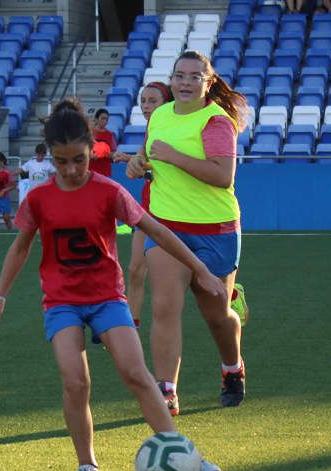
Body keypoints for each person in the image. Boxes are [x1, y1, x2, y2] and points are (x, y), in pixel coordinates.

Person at [0, 99, 224, 471]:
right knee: (75, 382)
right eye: (62, 162)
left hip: (108, 298)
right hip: (62, 302)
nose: (72, 170)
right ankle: (87, 466)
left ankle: (181, 451)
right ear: (51, 159)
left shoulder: (108, 191)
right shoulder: (39, 199)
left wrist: (199, 268)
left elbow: (158, 231)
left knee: (136, 374)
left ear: (92, 150)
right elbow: (21, 247)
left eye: (79, 159)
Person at [125, 51, 248, 416]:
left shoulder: (216, 121)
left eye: (195, 76)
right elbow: (148, 158)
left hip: (215, 231)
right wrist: (137, 164)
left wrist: (172, 155)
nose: (185, 82)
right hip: (166, 228)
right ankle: (166, 391)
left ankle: (232, 368)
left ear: (208, 83)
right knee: (164, 307)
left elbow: (223, 176)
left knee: (217, 314)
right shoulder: (160, 115)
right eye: (179, 75)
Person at [111, 82, 173, 330]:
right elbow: (144, 162)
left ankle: (232, 292)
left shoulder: (175, 128)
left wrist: (137, 163)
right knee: (136, 268)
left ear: (166, 103)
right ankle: (130, 327)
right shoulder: (151, 128)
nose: (146, 106)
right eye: (143, 101)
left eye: (152, 101)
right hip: (150, 205)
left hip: (177, 207)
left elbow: (165, 167)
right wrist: (134, 162)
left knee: (198, 273)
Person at [91, 108, 117, 178]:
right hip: (90, 170)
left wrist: (104, 152)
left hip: (104, 171)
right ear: (96, 119)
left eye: (106, 119)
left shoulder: (110, 135)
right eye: (103, 118)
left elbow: (114, 154)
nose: (105, 121)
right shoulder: (89, 133)